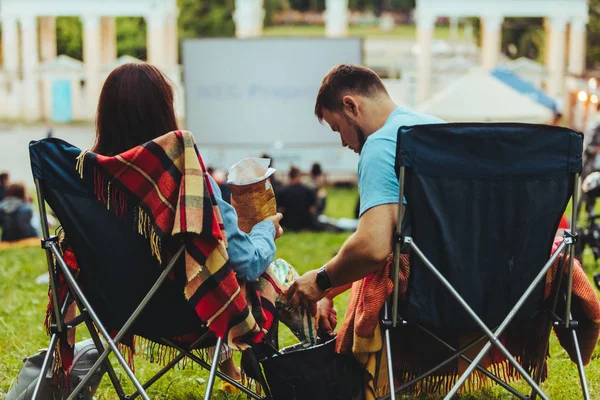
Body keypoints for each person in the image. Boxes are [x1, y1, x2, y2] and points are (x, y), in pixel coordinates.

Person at [91, 62, 284, 385]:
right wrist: (265, 229)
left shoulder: (90, 180)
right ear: (164, 112)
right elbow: (247, 264)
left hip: (119, 311)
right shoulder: (187, 181)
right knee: (274, 272)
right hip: (193, 310)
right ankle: (296, 376)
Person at [287, 64, 444, 331]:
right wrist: (330, 290)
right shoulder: (441, 130)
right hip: (490, 296)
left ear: (351, 106)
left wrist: (320, 282)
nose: (343, 143)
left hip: (428, 301)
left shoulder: (382, 144)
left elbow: (373, 248)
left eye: (337, 128)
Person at [278, 166, 319, 231]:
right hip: (305, 223)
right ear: (299, 176)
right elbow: (313, 209)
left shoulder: (282, 191)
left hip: (287, 223)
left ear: (289, 176)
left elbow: (279, 209)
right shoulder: (308, 190)